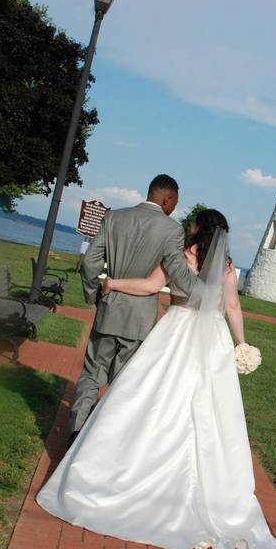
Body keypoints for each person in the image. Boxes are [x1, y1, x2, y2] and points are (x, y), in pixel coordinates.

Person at [36, 210, 276, 549]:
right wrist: (241, 343)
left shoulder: (180, 255)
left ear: (198, 228)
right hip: (213, 339)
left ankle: (126, 472)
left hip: (174, 332)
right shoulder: (227, 266)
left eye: (194, 224)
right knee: (210, 410)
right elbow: (232, 306)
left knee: (148, 399)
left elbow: (152, 287)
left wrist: (114, 283)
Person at [68, 175, 199, 446]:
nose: (174, 208)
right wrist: (202, 293)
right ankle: (104, 441)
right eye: (174, 202)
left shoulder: (114, 217)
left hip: (109, 308)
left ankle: (76, 430)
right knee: (123, 381)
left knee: (92, 372)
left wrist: (94, 295)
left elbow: (91, 263)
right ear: (166, 199)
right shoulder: (172, 230)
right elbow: (176, 269)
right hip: (139, 319)